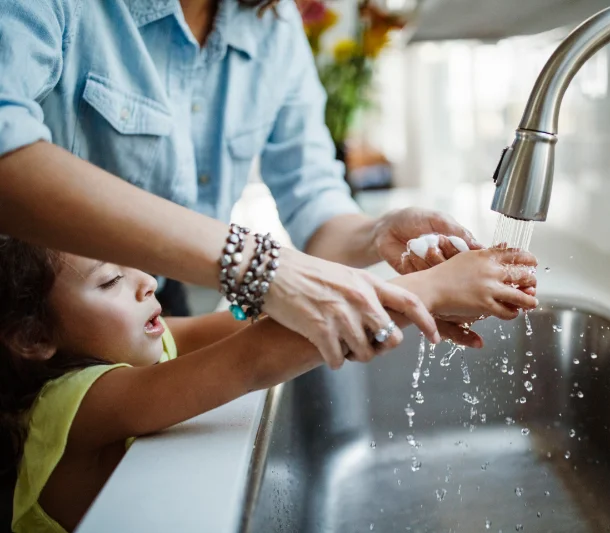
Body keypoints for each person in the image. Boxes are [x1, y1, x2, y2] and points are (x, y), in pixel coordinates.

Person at [0, 0, 484, 364]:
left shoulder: (272, 24)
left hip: (147, 309)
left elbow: (312, 194)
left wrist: (376, 234)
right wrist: (259, 267)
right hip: (34, 326)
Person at [0, 236, 538, 533]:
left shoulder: (143, 344)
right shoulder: (74, 405)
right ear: (31, 336)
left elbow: (254, 326)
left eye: (133, 266)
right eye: (111, 280)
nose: (147, 282)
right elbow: (250, 360)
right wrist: (430, 290)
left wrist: (403, 299)